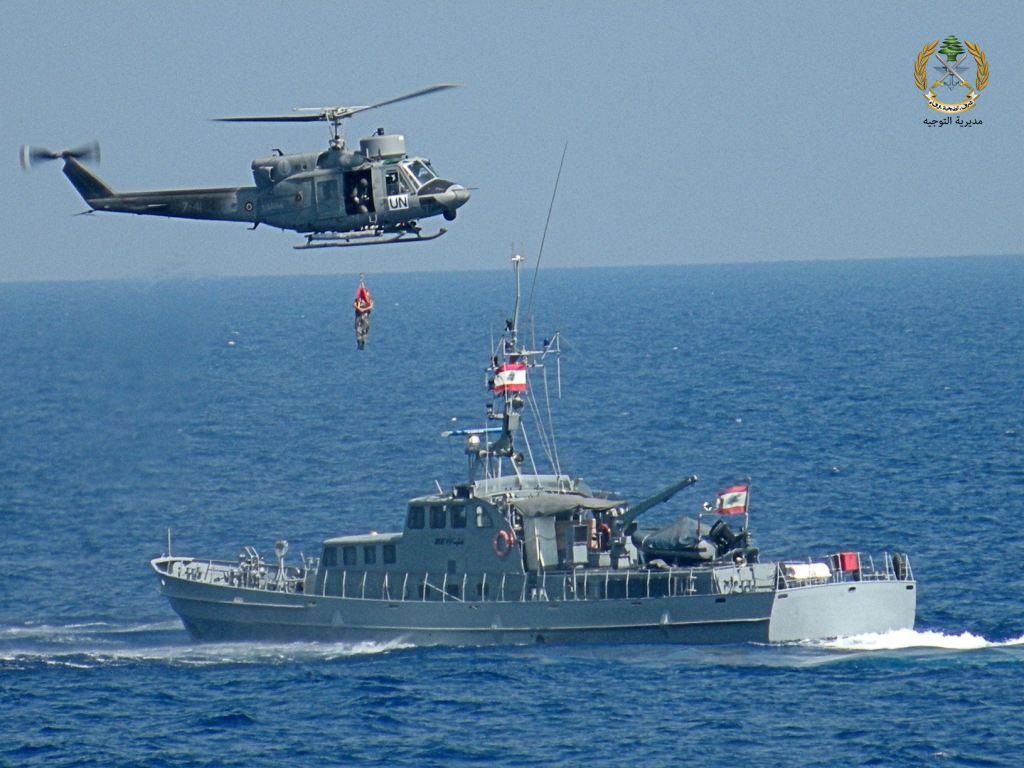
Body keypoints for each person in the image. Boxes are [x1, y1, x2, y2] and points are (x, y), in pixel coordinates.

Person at [353, 278, 373, 350]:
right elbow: (354, 305)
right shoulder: (358, 300)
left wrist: (364, 309)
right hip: (358, 317)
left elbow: (371, 306)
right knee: (358, 330)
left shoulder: (369, 300)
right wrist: (359, 309)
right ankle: (359, 343)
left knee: (365, 330)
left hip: (365, 317)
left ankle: (363, 343)